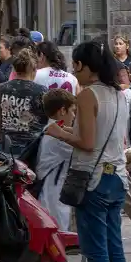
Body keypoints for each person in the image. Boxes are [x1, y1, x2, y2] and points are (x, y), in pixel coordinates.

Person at [57, 39, 131, 262]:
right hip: (117, 177)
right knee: (115, 249)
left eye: (75, 65)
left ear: (83, 65)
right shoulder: (121, 95)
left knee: (97, 250)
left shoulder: (88, 96)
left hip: (94, 178)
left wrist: (59, 133)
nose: (75, 71)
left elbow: (87, 143)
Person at [0, 46, 46, 163]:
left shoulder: (1, 88)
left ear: (14, 68)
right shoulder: (41, 91)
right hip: (31, 149)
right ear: (34, 69)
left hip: (5, 147)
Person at [36, 90, 76, 232]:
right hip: (53, 193)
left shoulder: (53, 128)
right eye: (72, 111)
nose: (74, 115)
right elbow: (84, 147)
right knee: (58, 234)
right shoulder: (57, 135)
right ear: (62, 111)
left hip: (52, 189)